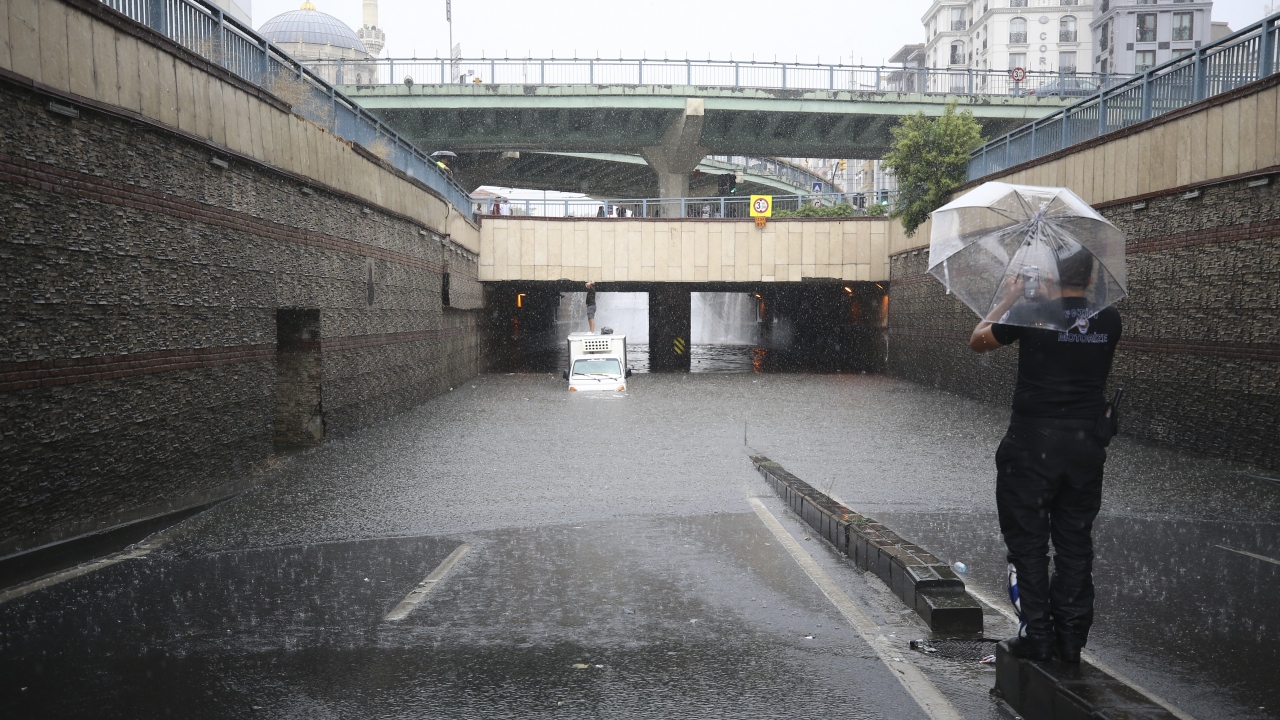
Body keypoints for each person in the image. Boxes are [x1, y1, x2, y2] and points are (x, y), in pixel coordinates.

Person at [968, 250, 1121, 664]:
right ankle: (1071, 641)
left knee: (1029, 545)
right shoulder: (1109, 319)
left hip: (1032, 444)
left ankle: (1037, 636)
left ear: (1051, 275)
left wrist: (1010, 296)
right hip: (1086, 446)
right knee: (1075, 544)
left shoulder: (1033, 313)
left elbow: (978, 340)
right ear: (1090, 279)